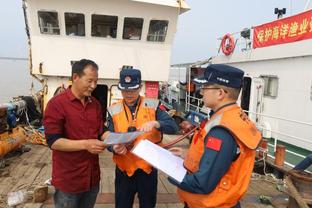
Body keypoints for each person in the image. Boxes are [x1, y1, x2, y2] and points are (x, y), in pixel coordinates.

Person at [168, 64, 262, 208]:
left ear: (220, 93)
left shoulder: (221, 131)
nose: (201, 93)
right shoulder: (235, 116)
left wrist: (169, 170)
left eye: (205, 88)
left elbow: (202, 183)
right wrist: (188, 154)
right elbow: (223, 160)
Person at [106, 68, 178, 208]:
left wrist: (156, 123)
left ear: (140, 87)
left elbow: (173, 126)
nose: (129, 94)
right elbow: (109, 135)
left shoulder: (153, 105)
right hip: (124, 169)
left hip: (148, 169)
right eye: (125, 90)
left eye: (133, 90)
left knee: (148, 205)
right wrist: (113, 147)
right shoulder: (113, 109)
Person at [43, 59, 107, 208]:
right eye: (89, 81)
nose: (93, 86)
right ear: (75, 77)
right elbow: (53, 141)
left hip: (92, 179)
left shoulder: (95, 104)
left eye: (96, 81)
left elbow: (100, 132)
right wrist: (85, 144)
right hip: (68, 181)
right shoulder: (56, 104)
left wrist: (112, 138)